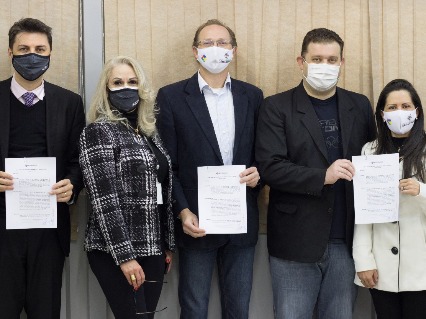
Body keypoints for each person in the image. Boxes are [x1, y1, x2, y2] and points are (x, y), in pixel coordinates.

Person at [255, 28, 376, 319]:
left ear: (341, 63)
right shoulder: (276, 106)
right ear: (301, 61)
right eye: (317, 59)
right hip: (295, 241)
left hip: (346, 239)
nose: (325, 66)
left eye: (332, 59)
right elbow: (270, 167)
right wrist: (323, 175)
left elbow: (374, 158)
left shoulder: (358, 105)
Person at [156, 19, 263, 319]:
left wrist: (259, 175)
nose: (215, 49)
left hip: (240, 221)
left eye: (222, 42)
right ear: (195, 51)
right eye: (207, 43)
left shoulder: (253, 96)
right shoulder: (172, 97)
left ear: (234, 50)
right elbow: (168, 164)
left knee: (238, 309)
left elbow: (264, 156)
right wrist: (183, 211)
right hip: (196, 223)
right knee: (193, 309)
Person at [0, 18, 85, 318]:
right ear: (10, 53)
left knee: (45, 311)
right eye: (23, 49)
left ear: (50, 54)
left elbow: (78, 160)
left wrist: (72, 185)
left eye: (40, 49)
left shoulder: (70, 103)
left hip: (48, 230)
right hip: (2, 231)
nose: (32, 55)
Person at [79, 56, 175, 319]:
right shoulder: (98, 132)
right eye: (117, 82)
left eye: (132, 82)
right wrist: (125, 257)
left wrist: (166, 243)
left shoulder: (148, 132)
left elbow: (162, 188)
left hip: (153, 247)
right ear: (106, 89)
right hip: (114, 249)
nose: (126, 87)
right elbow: (104, 200)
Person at [353, 79, 426, 319]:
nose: (399, 112)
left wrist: (421, 191)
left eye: (405, 106)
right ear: (382, 115)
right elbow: (363, 212)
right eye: (392, 108)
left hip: (421, 268)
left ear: (416, 111)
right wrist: (363, 259)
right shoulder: (369, 151)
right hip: (381, 267)